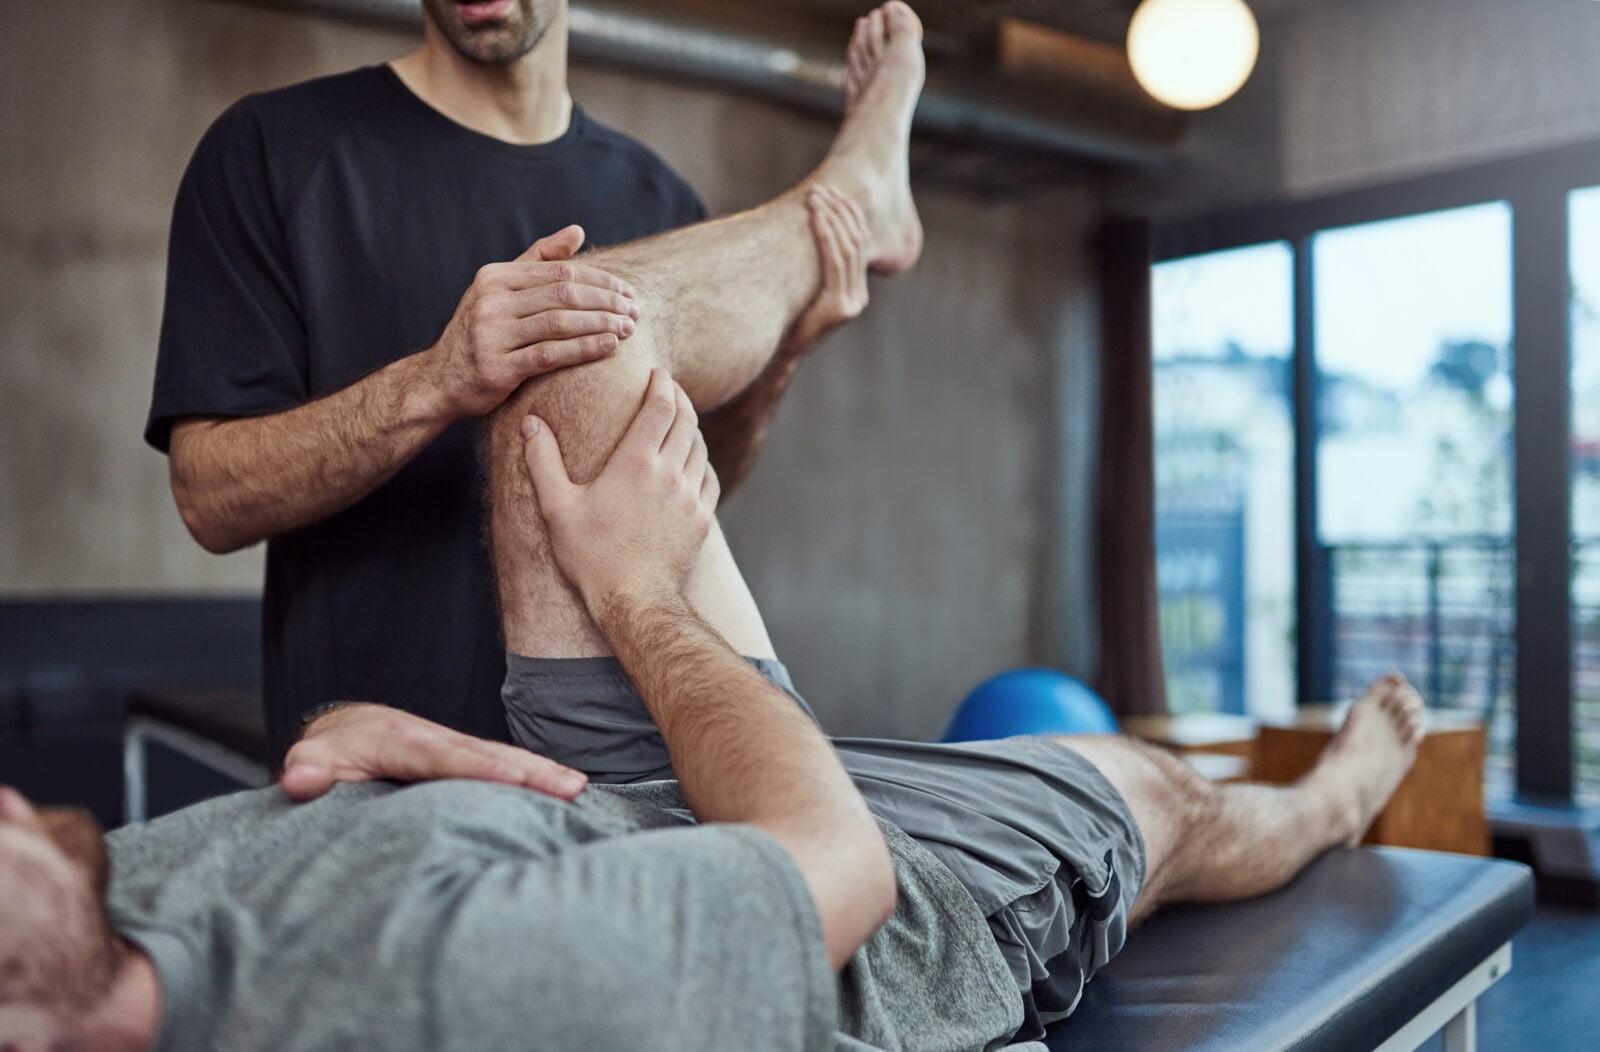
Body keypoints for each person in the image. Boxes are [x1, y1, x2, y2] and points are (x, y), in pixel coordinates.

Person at [0, 368, 1426, 1050]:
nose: (5, 802)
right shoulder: (454, 1004)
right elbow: (839, 868)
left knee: (563, 380)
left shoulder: (104, 909)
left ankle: (850, 227)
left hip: (588, 821)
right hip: (872, 907)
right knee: (1152, 791)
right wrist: (632, 592)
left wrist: (378, 766)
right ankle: (1334, 800)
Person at [146, 0, 917, 760]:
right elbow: (208, 499)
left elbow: (697, 482)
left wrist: (781, 357)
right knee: (597, 303)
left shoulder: (659, 199)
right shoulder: (274, 151)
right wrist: (435, 381)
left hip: (612, 769)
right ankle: (857, 185)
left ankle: (857, 190)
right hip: (379, 773)